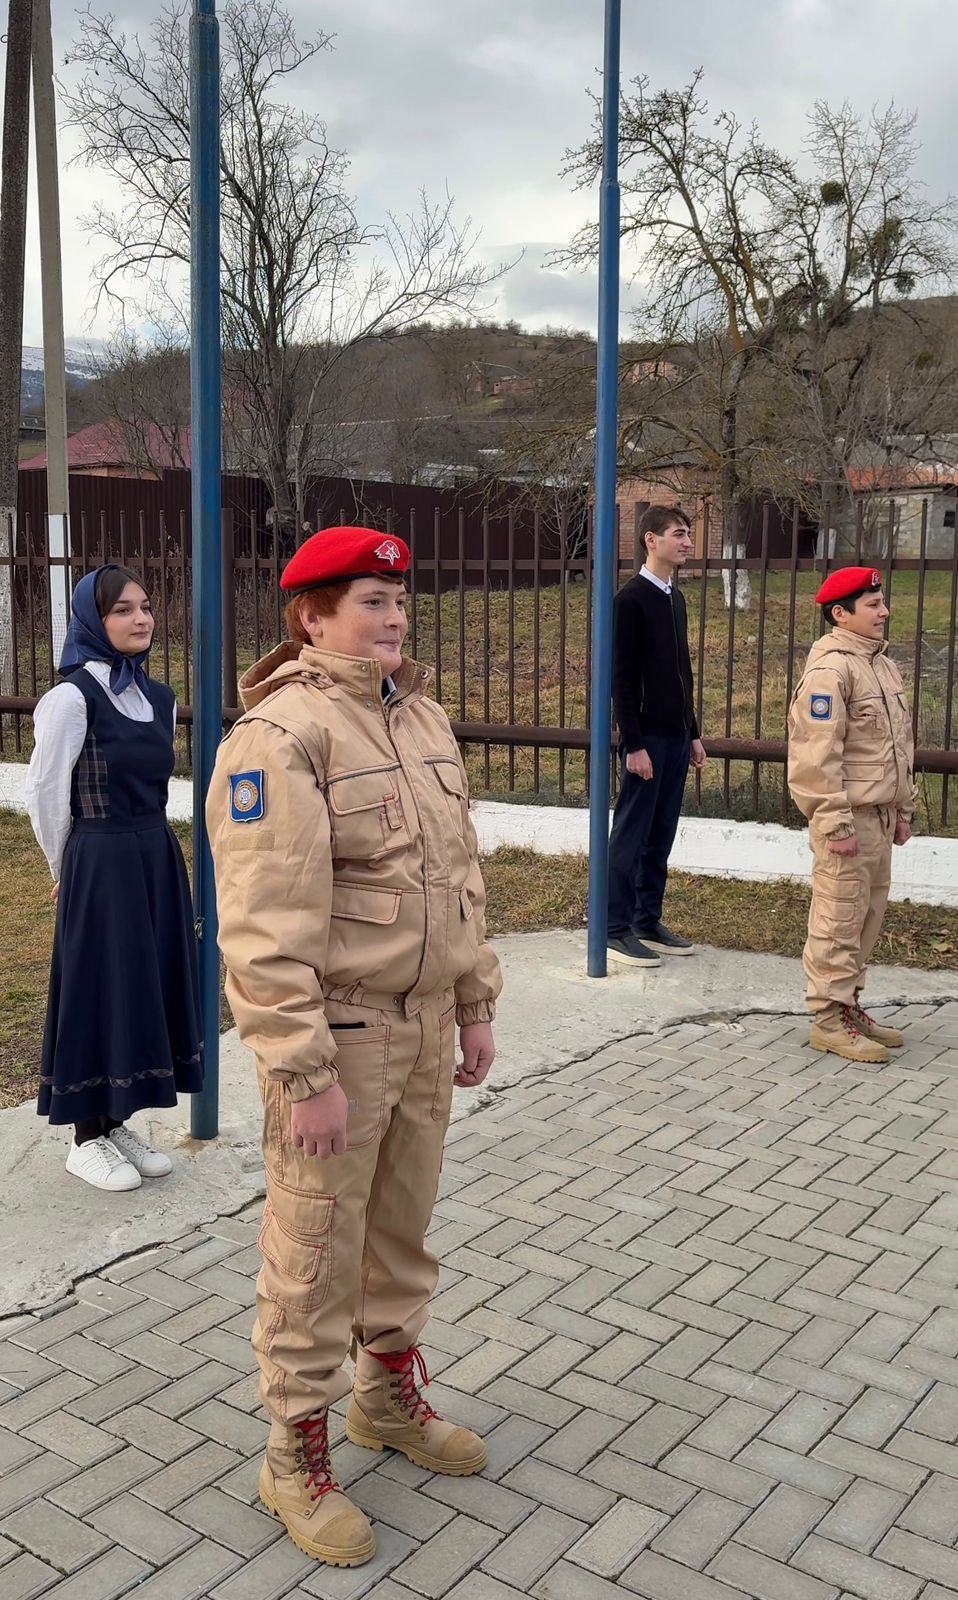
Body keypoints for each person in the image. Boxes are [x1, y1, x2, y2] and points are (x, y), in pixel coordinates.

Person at [206, 526, 502, 1570]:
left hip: (423, 1029)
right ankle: (294, 1451)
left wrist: (474, 998)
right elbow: (262, 926)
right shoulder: (280, 736)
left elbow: (458, 873)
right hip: (340, 1037)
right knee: (315, 1244)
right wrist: (302, 1071)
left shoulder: (419, 715)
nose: (394, 618)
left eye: (399, 601)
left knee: (400, 1230)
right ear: (312, 617)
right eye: (371, 601)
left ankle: (384, 1397)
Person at [25, 565, 203, 1191]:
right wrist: (64, 868)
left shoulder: (160, 697)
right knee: (100, 984)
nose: (141, 619)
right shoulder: (70, 699)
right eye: (123, 609)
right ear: (92, 621)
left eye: (146, 607)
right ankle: (84, 1138)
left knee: (143, 983)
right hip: (99, 858)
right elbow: (46, 792)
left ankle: (115, 1121)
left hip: (154, 854)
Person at [787, 565, 916, 1063]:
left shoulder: (881, 666)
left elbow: (898, 746)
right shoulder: (830, 672)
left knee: (866, 918)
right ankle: (827, 1020)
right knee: (838, 919)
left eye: (882, 603)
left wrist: (902, 810)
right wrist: (834, 823)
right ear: (840, 614)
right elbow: (815, 757)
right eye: (873, 605)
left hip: (879, 818)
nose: (884, 612)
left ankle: (848, 1005)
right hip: (849, 822)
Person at [606, 505, 708, 967]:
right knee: (631, 833)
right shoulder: (630, 600)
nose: (687, 542)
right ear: (651, 539)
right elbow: (622, 679)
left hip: (676, 737)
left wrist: (693, 733)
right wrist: (634, 744)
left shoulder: (675, 598)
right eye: (678, 534)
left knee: (661, 833)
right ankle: (614, 928)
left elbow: (681, 672)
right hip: (646, 741)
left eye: (688, 534)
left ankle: (647, 919)